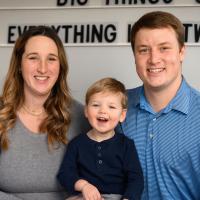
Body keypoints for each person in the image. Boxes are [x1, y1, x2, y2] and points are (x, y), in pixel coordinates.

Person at [116, 11, 200, 199]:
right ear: (134, 56)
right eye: (144, 50)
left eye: (164, 48)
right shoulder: (116, 108)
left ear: (182, 52)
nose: (154, 59)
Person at [0, 26, 89, 200]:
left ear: (60, 66)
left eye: (51, 59)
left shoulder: (83, 117)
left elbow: (104, 178)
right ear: (19, 64)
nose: (43, 68)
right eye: (33, 58)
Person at [57, 77, 144, 200]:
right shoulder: (76, 144)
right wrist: (84, 186)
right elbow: (65, 174)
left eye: (111, 107)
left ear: (122, 115)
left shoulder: (126, 145)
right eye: (96, 105)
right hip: (85, 196)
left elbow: (136, 178)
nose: (103, 111)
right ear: (86, 111)